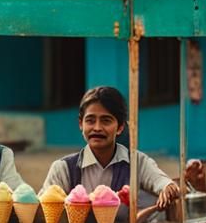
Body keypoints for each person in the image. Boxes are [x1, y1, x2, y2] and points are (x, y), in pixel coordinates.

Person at [40, 85, 180, 213]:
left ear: (120, 127)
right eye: (90, 120)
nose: (97, 128)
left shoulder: (137, 162)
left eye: (106, 120)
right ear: (80, 124)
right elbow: (41, 209)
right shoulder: (63, 169)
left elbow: (160, 181)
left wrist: (168, 188)